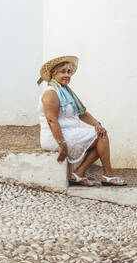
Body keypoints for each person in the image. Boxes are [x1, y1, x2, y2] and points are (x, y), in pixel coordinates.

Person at [37, 55, 126, 187]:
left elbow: (82, 114)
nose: (67, 75)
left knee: (100, 133)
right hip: (55, 136)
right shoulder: (51, 93)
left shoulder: (66, 92)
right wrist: (62, 144)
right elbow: (52, 121)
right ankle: (108, 175)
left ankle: (79, 174)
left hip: (68, 132)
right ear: (53, 74)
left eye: (69, 72)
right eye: (63, 72)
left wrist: (97, 124)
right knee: (100, 137)